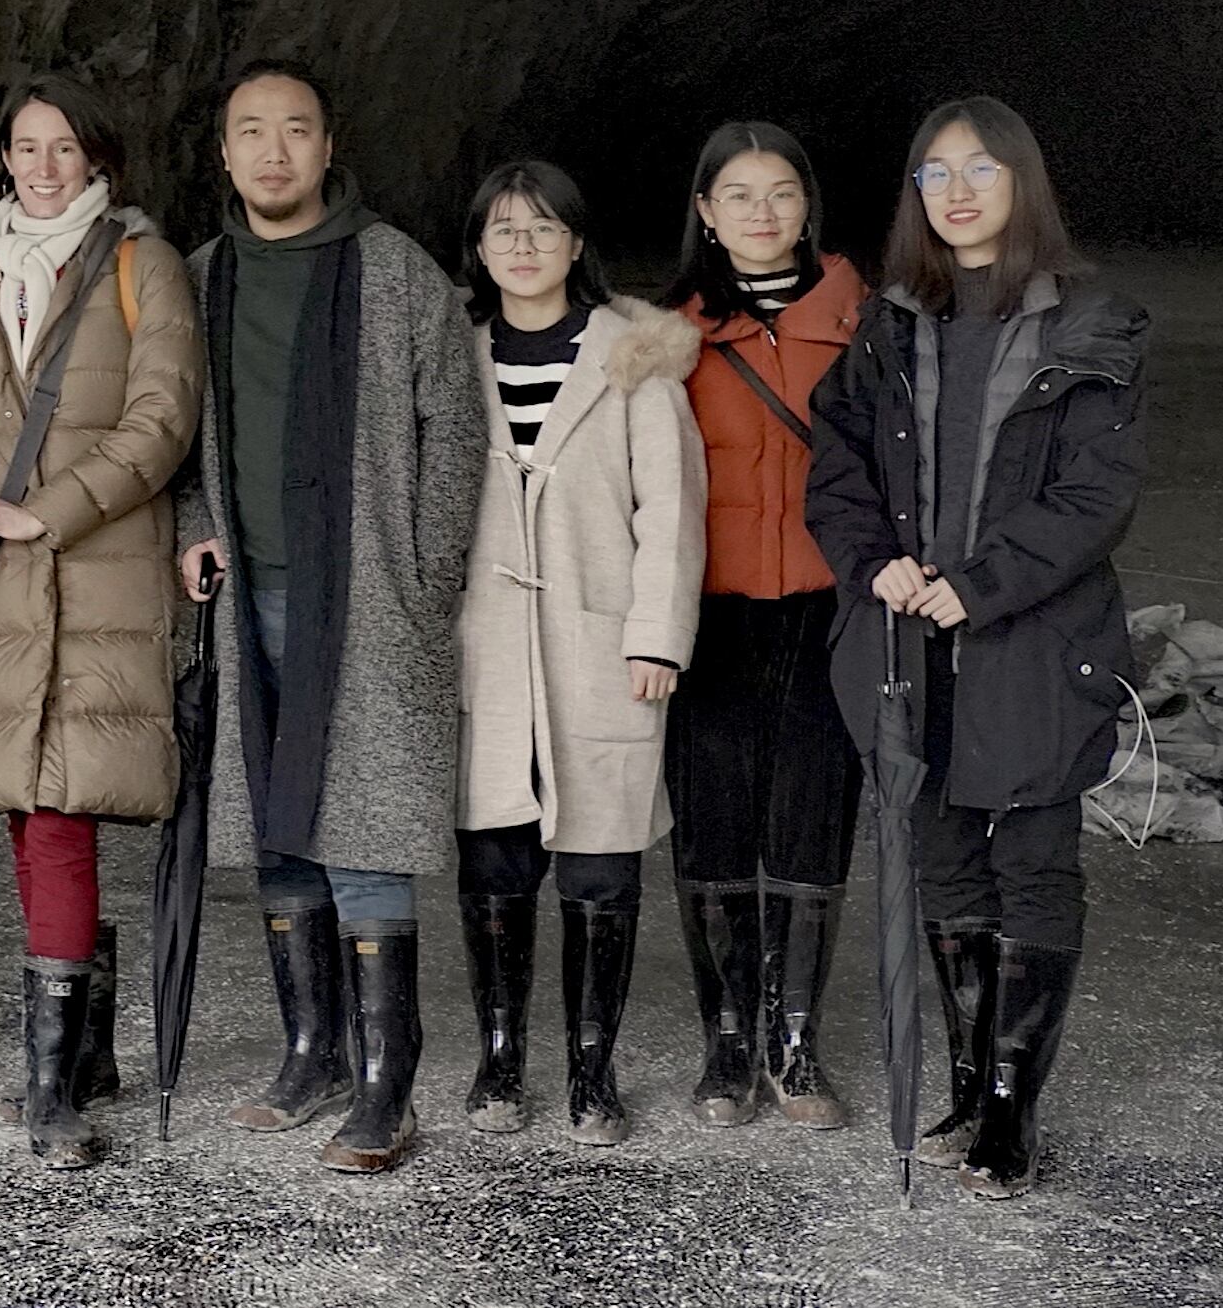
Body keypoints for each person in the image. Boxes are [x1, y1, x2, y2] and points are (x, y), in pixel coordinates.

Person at [808, 97, 1146, 1199]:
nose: (954, 193)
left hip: (1034, 639)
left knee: (1031, 864)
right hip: (910, 640)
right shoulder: (887, 323)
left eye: (979, 170)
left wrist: (980, 584)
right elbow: (839, 468)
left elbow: (1093, 494)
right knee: (942, 859)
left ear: (1021, 182)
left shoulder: (1088, 323)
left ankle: (1010, 1112)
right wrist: (875, 565)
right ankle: (964, 1085)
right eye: (931, 175)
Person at [172, 63, 484, 1174]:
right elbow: (175, 430)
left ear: (324, 145)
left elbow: (452, 429)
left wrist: (421, 574)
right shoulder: (199, 277)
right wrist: (196, 521)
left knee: (364, 821)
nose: (271, 152)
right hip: (245, 584)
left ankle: (380, 1084)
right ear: (221, 152)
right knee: (273, 813)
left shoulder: (391, 270)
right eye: (248, 131)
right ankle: (308, 1049)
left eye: (292, 131)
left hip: (362, 589)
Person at [0, 77, 200, 1170]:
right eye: (25, 148)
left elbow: (161, 419)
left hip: (97, 570)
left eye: (62, 147)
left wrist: (49, 509)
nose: (42, 166)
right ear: (2, 160)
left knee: (60, 806)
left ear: (95, 158)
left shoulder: (140, 265)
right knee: (21, 806)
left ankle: (49, 1094)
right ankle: (79, 1051)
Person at [452, 160, 704, 1148]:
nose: (521, 245)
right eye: (501, 229)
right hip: (485, 646)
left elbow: (671, 512)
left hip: (599, 642)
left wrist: (654, 638)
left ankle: (590, 1072)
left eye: (542, 227)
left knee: (599, 866)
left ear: (574, 242)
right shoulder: (451, 357)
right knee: (495, 860)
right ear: (476, 247)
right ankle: (499, 1060)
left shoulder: (630, 358)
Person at [660, 121, 869, 1131]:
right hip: (708, 609)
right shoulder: (665, 333)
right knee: (712, 823)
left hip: (832, 606)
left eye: (778, 191)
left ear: (805, 205)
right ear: (703, 210)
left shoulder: (867, 323)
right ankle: (726, 1043)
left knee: (811, 815)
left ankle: (795, 1044)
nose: (758, 212)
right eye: (735, 194)